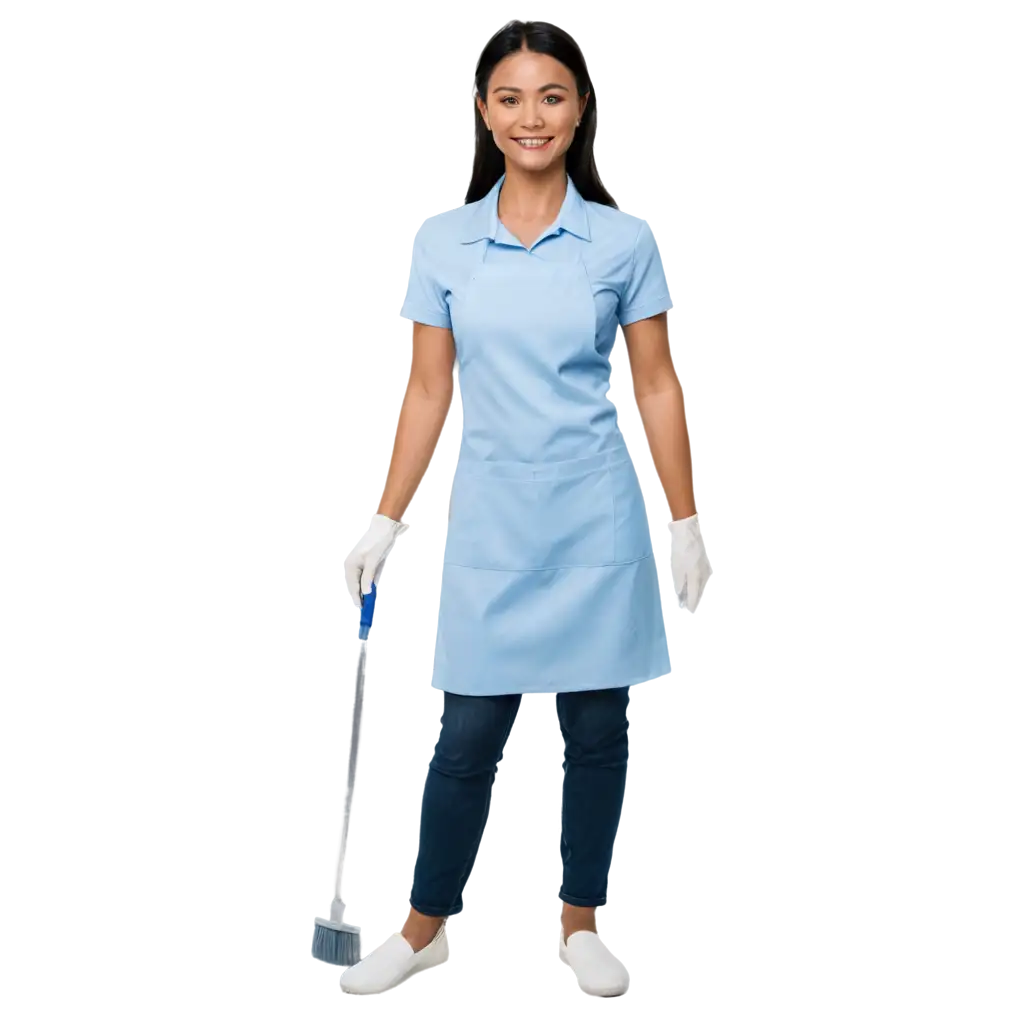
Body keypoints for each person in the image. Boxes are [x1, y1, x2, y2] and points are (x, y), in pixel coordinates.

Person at [337, 22, 708, 998]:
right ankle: (423, 928)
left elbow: (659, 386)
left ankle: (578, 926)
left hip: (595, 518)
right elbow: (427, 392)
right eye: (509, 97)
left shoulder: (623, 242)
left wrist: (684, 517)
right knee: (465, 737)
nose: (530, 115)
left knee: (597, 730)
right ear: (481, 111)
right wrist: (382, 518)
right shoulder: (444, 242)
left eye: (550, 95)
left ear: (579, 108)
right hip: (494, 525)